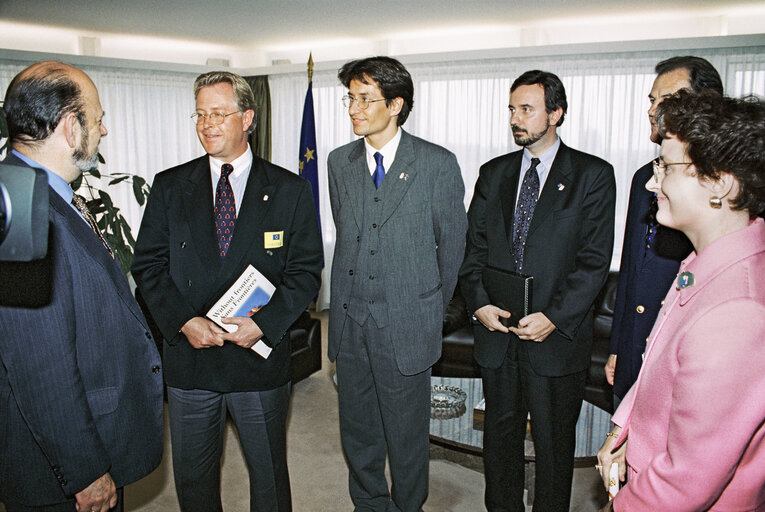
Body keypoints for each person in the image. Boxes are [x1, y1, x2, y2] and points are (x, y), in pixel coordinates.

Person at [131, 71, 322, 512]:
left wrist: (265, 326)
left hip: (256, 361)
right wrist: (183, 321)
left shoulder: (290, 190)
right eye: (200, 114)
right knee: (194, 483)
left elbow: (306, 271)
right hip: (191, 361)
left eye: (218, 113)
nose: (206, 123)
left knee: (269, 480)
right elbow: (148, 265)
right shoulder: (169, 185)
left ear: (248, 117)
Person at [0, 61, 163, 512]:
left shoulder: (37, 192)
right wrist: (85, 470)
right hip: (63, 473)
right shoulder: (20, 215)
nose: (104, 130)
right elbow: (39, 365)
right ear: (71, 129)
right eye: (98, 118)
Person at [597, 90, 765, 511]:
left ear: (720, 183)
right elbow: (658, 365)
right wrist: (622, 429)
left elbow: (685, 485)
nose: (653, 182)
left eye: (667, 168)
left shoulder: (738, 312)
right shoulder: (701, 261)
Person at [459, 70, 616, 511]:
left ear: (556, 113)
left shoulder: (593, 175)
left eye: (526, 109)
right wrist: (479, 304)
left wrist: (555, 317)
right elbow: (473, 251)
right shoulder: (493, 174)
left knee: (553, 447)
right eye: (511, 109)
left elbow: (592, 262)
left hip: (555, 340)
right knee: (500, 443)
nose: (515, 118)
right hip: (498, 336)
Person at [327, 56, 467, 512]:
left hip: (406, 325)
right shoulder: (337, 163)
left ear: (396, 104)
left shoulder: (436, 164)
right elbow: (349, 234)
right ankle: (369, 504)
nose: (353, 108)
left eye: (365, 99)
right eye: (350, 97)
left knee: (407, 438)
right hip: (349, 324)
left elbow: (452, 250)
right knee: (358, 433)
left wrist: (425, 307)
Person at [605, 56, 723, 407]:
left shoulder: (724, 184)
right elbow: (631, 268)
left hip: (683, 357)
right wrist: (618, 348)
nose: (653, 110)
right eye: (652, 100)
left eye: (667, 99)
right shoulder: (644, 177)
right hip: (633, 350)